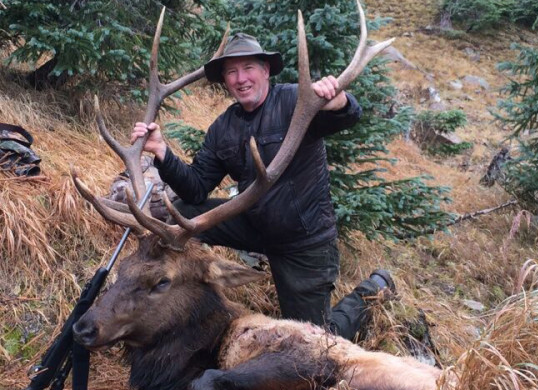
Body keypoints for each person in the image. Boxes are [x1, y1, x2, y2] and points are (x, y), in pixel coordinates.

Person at [130, 33, 394, 340]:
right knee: (183, 216)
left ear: (266, 70)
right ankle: (179, 298)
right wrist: (162, 151)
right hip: (255, 226)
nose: (240, 79)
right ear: (225, 80)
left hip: (303, 243)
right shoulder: (224, 127)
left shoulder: (296, 100)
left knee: (316, 341)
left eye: (248, 68)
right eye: (231, 71)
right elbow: (196, 188)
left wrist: (337, 99)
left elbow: (348, 115)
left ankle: (373, 289)